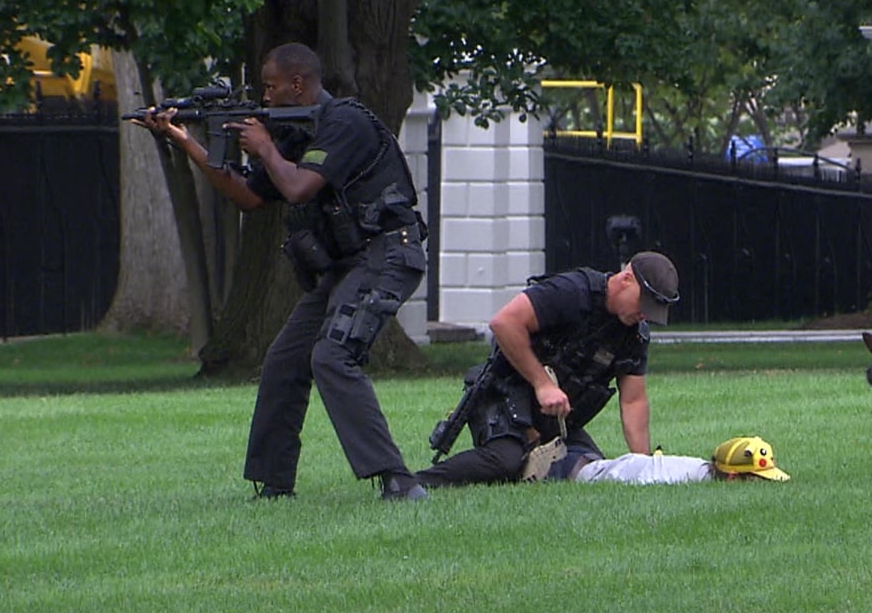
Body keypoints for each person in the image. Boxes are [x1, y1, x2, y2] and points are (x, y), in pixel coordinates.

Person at [134, 43, 430, 501]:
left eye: (270, 87)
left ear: (298, 84)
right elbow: (250, 197)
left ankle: (397, 479)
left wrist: (266, 148)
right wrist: (184, 139)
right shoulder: (292, 136)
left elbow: (297, 188)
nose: (265, 98)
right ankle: (274, 485)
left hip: (389, 254)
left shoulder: (344, 123)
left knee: (332, 356)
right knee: (283, 361)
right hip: (347, 263)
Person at [414, 251, 680, 488]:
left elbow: (633, 401)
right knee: (506, 461)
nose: (645, 315)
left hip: (556, 417)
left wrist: (644, 466)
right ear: (626, 279)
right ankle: (416, 483)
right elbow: (504, 323)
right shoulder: (572, 291)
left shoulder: (633, 334)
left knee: (588, 470)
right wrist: (542, 384)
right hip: (505, 392)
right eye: (643, 304)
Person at [560, 436, 790, 484]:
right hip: (573, 469)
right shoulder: (670, 480)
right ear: (732, 477)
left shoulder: (702, 473)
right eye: (755, 481)